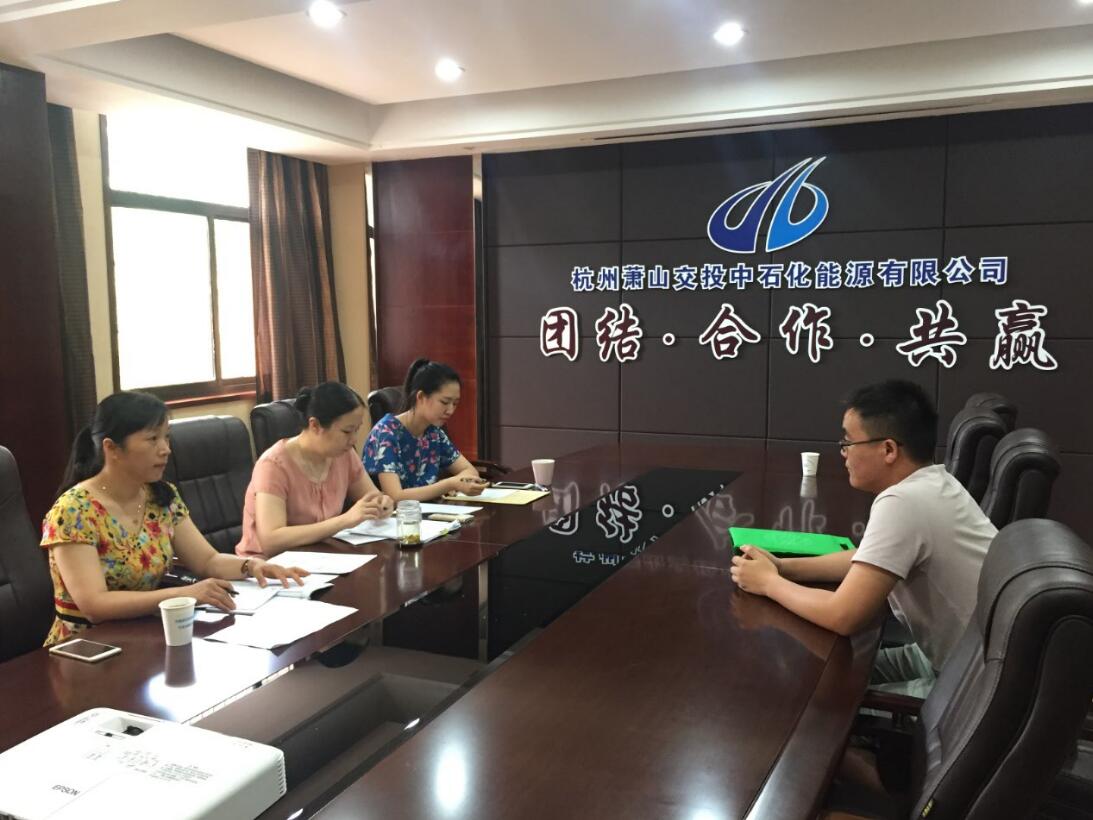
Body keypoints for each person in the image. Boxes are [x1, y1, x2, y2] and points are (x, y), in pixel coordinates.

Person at [730, 379, 997, 697]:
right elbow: (867, 557)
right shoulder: (933, 483)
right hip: (957, 660)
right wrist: (784, 567)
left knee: (815, 700)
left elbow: (842, 616)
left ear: (888, 450)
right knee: (812, 679)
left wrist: (768, 583)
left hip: (971, 689)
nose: (843, 453)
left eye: (848, 442)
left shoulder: (904, 502)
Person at [41, 391, 308, 647]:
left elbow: (208, 560)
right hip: (87, 648)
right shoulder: (74, 510)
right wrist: (183, 594)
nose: (166, 449)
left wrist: (252, 566)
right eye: (152, 439)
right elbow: (94, 605)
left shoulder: (161, 496)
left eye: (166, 437)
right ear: (112, 448)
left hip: (147, 634)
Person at [236, 382, 393, 559]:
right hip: (267, 566)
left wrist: (382, 504)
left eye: (357, 430)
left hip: (320, 556)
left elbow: (372, 497)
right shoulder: (273, 466)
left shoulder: (344, 454)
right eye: (347, 431)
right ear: (315, 425)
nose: (354, 440)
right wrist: (345, 520)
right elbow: (271, 541)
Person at [363, 359, 489, 502]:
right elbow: (395, 496)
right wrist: (450, 484)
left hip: (428, 511)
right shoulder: (386, 433)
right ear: (421, 397)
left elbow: (470, 471)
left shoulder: (434, 433)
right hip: (394, 514)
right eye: (444, 402)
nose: (450, 410)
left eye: (455, 404)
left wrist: (457, 483)